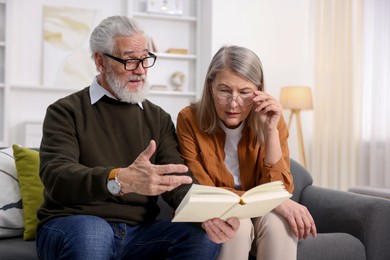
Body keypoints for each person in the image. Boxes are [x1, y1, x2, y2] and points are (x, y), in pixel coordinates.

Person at [36, 16, 239, 260]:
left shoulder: (158, 118)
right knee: (94, 234)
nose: (141, 70)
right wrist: (119, 179)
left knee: (202, 236)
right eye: (130, 60)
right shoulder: (65, 111)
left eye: (145, 59)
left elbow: (176, 181)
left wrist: (207, 214)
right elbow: (57, 176)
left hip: (139, 233)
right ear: (100, 61)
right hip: (73, 224)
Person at [176, 45, 317, 260]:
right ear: (210, 86)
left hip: (263, 210)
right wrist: (276, 201)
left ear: (258, 90)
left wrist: (270, 131)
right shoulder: (189, 120)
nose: (234, 103)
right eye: (224, 90)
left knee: (279, 223)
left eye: (244, 92)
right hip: (218, 212)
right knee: (236, 226)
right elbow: (204, 191)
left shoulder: (274, 120)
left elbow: (281, 188)